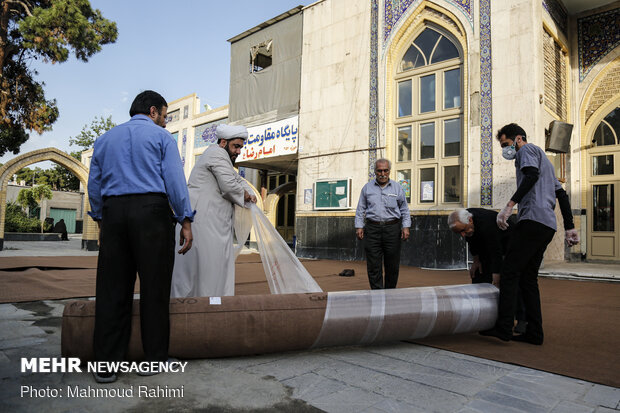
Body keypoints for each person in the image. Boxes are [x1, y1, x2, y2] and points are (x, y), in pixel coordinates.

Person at [87, 90, 194, 383]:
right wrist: (185, 219)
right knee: (154, 289)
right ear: (152, 111)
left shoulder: (105, 139)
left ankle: (107, 365)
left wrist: (100, 219)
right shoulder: (163, 139)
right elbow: (174, 181)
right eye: (164, 114)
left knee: (112, 290)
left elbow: (94, 185)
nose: (165, 120)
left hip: (115, 213)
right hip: (152, 213)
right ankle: (154, 359)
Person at [480, 123, 579, 345]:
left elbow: (531, 176)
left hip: (531, 221)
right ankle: (535, 333)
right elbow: (561, 195)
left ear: (518, 139)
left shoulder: (526, 151)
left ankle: (504, 327)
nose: (505, 149)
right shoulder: (545, 160)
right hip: (547, 225)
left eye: (506, 144)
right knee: (528, 278)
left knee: (509, 272)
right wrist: (570, 226)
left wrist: (509, 205)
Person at [170, 124, 257, 298]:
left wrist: (250, 193)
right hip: (204, 223)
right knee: (205, 270)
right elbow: (229, 185)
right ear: (223, 142)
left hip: (213, 225)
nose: (239, 151)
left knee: (212, 269)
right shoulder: (216, 153)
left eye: (241, 147)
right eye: (236, 146)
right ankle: (202, 312)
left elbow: (236, 180)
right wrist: (247, 196)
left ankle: (210, 308)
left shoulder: (220, 158)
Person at [448, 208, 527, 334]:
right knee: (478, 275)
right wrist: (476, 260)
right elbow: (471, 239)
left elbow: (496, 251)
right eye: (459, 233)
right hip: (488, 247)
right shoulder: (466, 224)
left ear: (470, 220)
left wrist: (496, 277)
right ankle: (484, 318)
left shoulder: (486, 224)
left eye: (463, 230)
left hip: (509, 245)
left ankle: (522, 319)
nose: (462, 234)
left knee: (508, 281)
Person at [355, 158, 411, 289]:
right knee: (373, 264)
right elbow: (360, 209)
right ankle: (377, 293)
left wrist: (406, 227)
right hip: (372, 229)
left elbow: (404, 210)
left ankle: (390, 293)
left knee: (392, 264)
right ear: (375, 171)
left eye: (385, 170)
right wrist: (359, 226)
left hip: (392, 229)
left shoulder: (397, 188)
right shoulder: (367, 188)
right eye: (379, 171)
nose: (382, 173)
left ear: (389, 171)